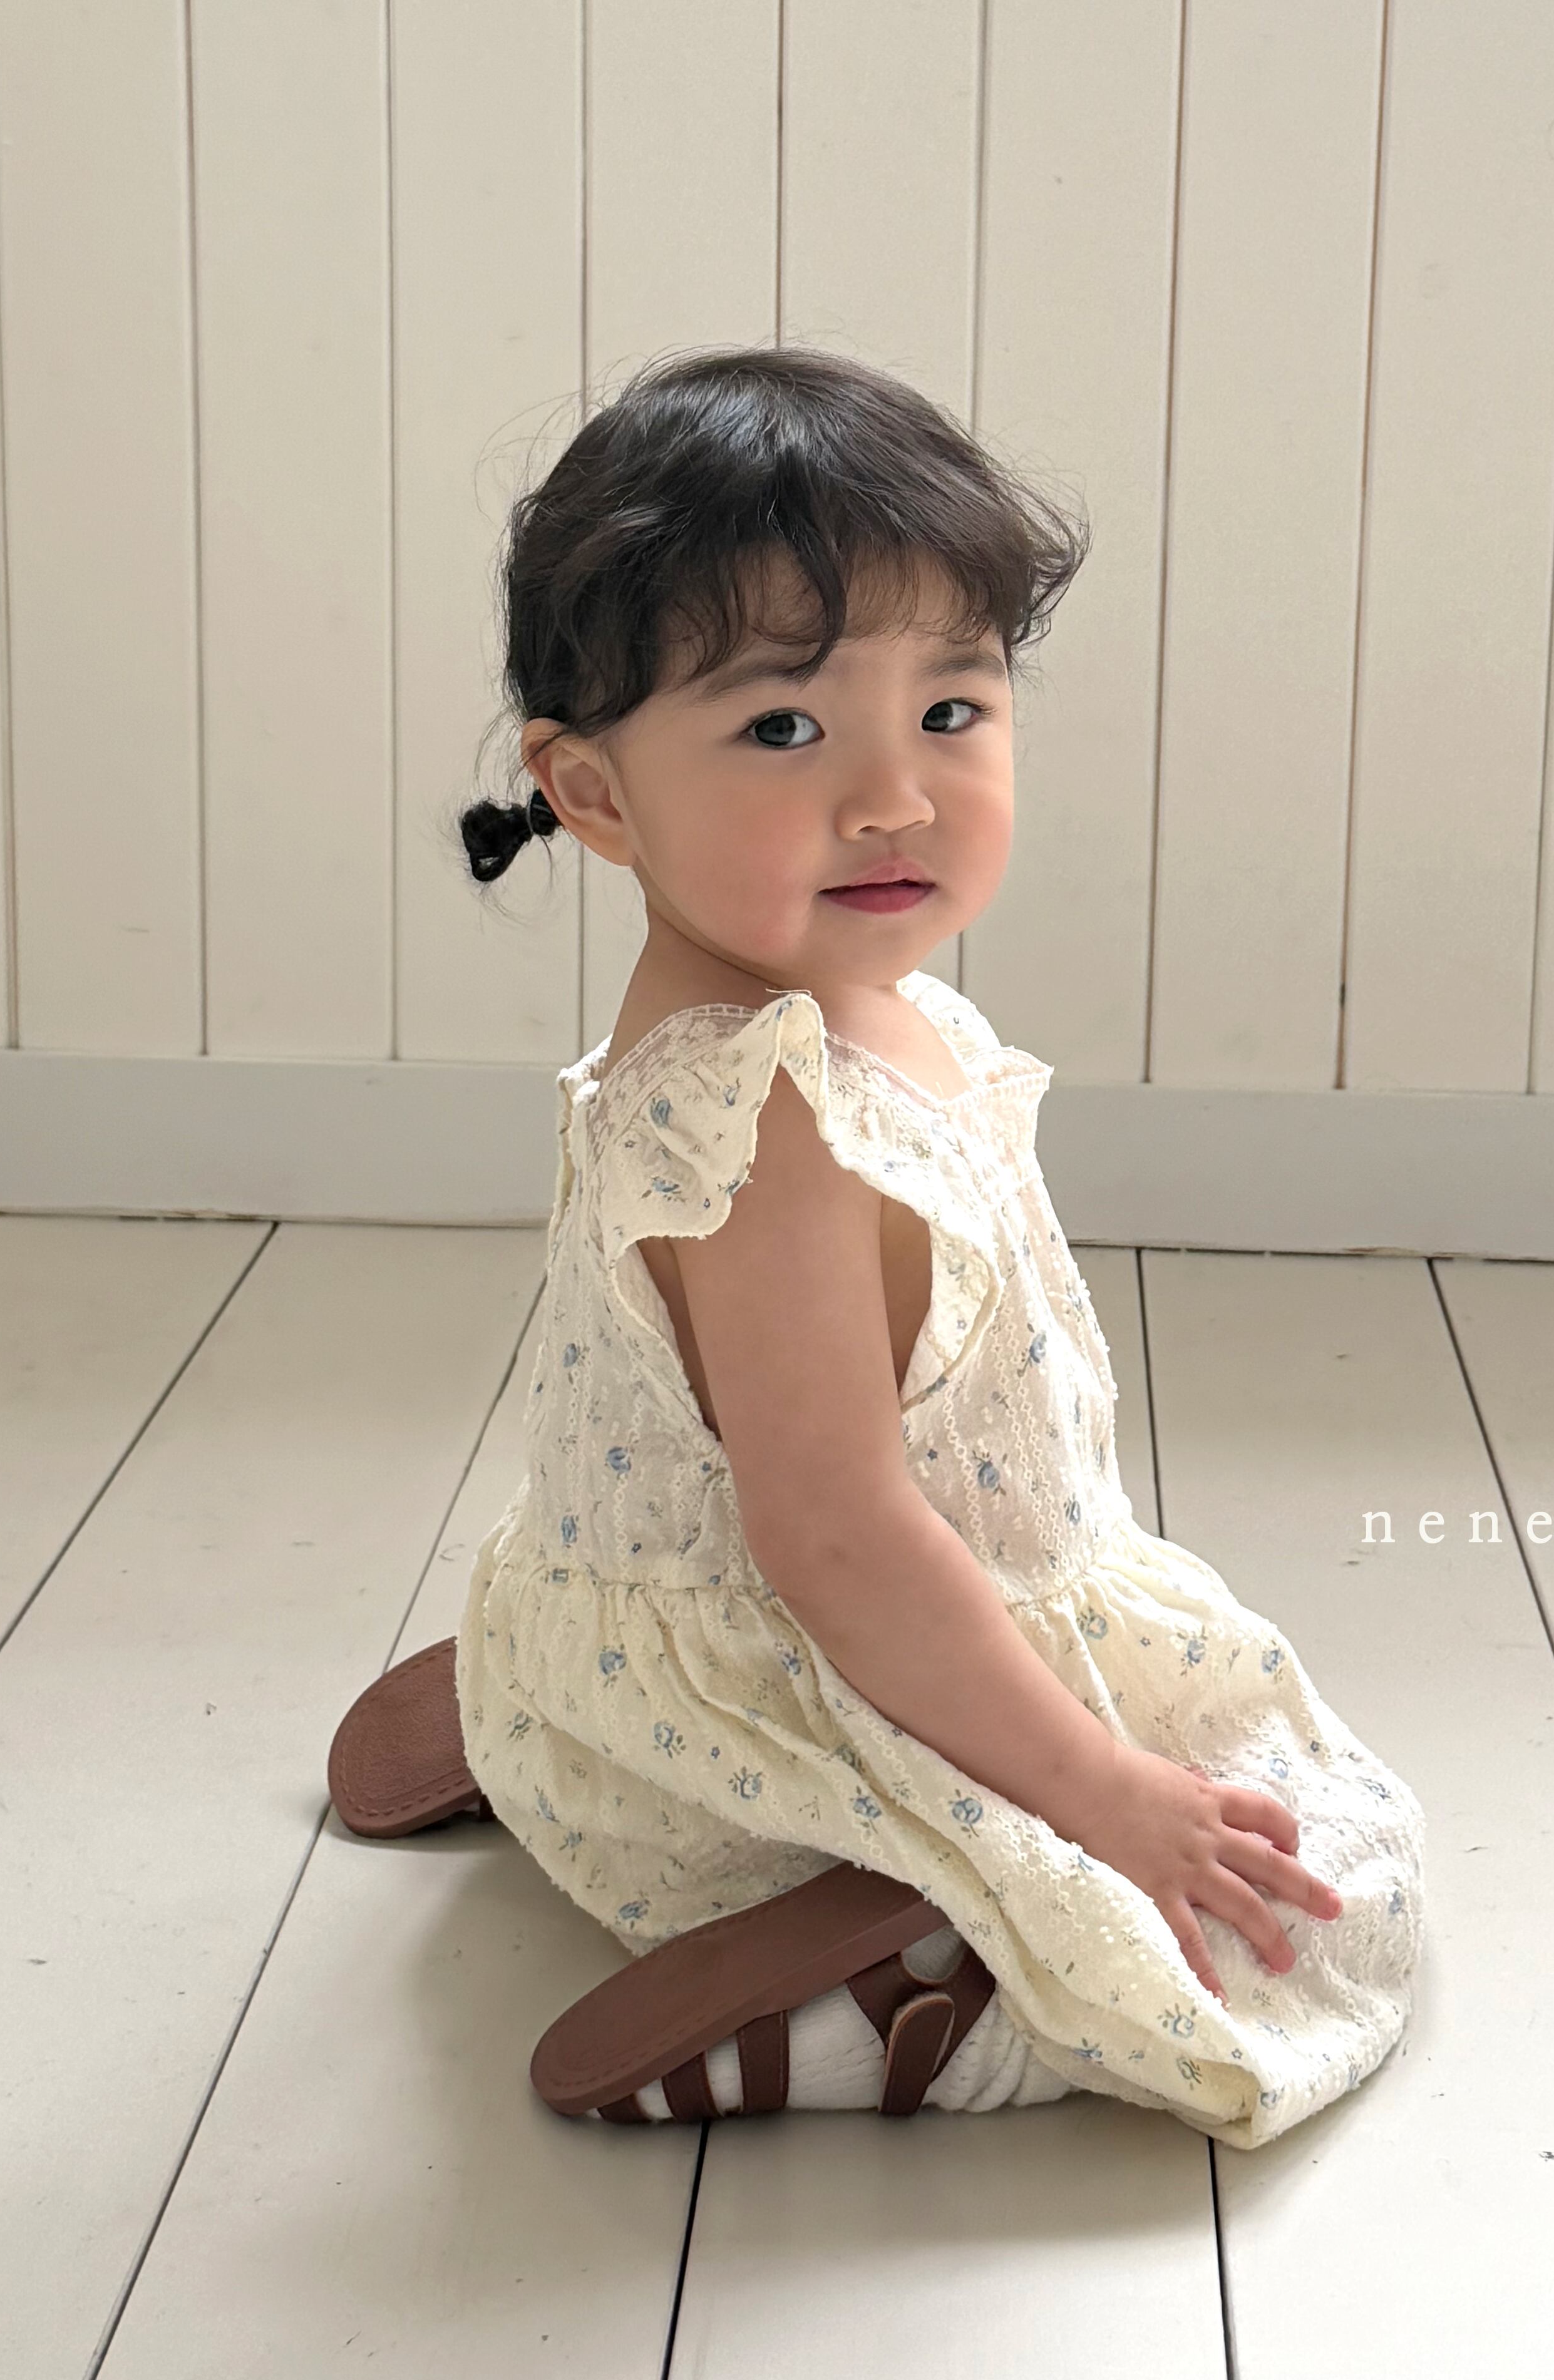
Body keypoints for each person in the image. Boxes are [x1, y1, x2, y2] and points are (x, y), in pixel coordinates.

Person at [418, 346, 1424, 2146]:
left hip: (836, 1610)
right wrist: (1101, 1792)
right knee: (1302, 1905)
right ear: (595, 796)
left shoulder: (848, 1008)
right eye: (783, 729)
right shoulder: (771, 1121)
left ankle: (562, 1697)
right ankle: (872, 2002)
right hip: (813, 1676)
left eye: (951, 710)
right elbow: (833, 1539)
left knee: (1273, 1808)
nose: (895, 796)